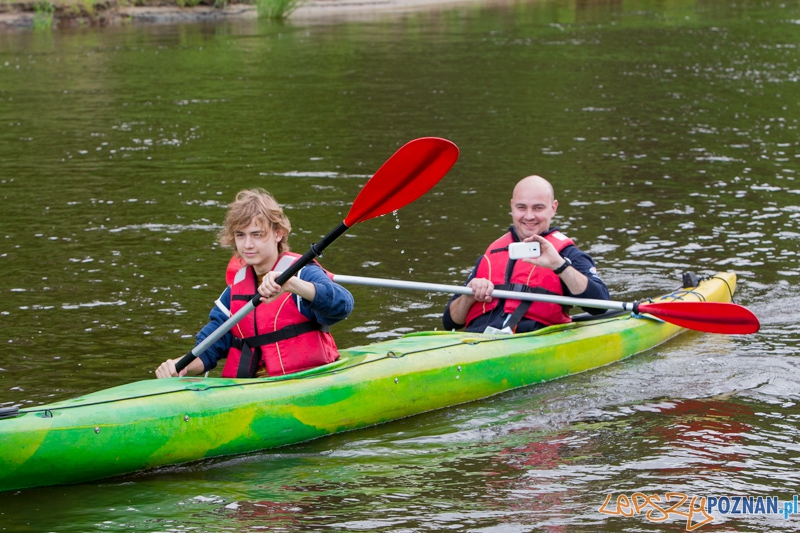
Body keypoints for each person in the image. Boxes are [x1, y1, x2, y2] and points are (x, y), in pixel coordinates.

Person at [155, 188, 354, 379]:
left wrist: (292, 285)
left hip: (305, 381)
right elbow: (209, 349)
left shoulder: (303, 273)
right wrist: (178, 366)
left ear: (278, 234)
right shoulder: (233, 292)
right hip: (251, 389)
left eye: (256, 234)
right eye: (240, 235)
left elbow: (343, 305)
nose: (247, 245)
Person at [443, 175, 609, 334]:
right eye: (521, 207)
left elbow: (600, 305)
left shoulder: (567, 254)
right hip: (476, 338)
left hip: (530, 339)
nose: (529, 216)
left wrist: (560, 266)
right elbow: (450, 322)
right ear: (512, 207)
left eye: (538, 208)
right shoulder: (490, 254)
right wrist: (469, 296)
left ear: (553, 208)